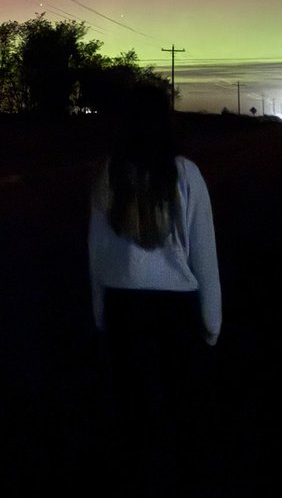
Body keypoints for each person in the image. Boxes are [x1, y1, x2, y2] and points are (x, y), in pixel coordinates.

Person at [87, 85, 221, 491]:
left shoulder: (110, 172)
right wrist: (211, 322)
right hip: (175, 310)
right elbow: (204, 252)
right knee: (183, 410)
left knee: (134, 413)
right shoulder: (185, 173)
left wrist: (100, 310)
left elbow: (97, 250)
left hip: (125, 307)